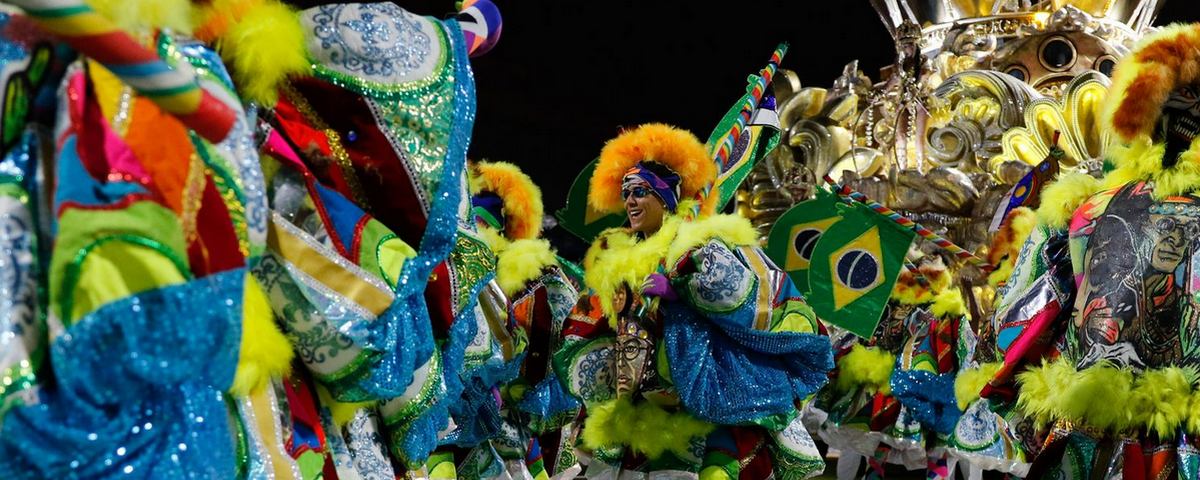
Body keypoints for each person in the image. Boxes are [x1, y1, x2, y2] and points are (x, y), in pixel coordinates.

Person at [556, 123, 834, 480]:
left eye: (640, 191)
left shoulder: (702, 244)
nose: (630, 201)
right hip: (645, 399)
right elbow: (595, 313)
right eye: (626, 192)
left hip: (712, 387)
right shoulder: (616, 252)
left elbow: (744, 296)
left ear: (667, 197)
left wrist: (682, 291)